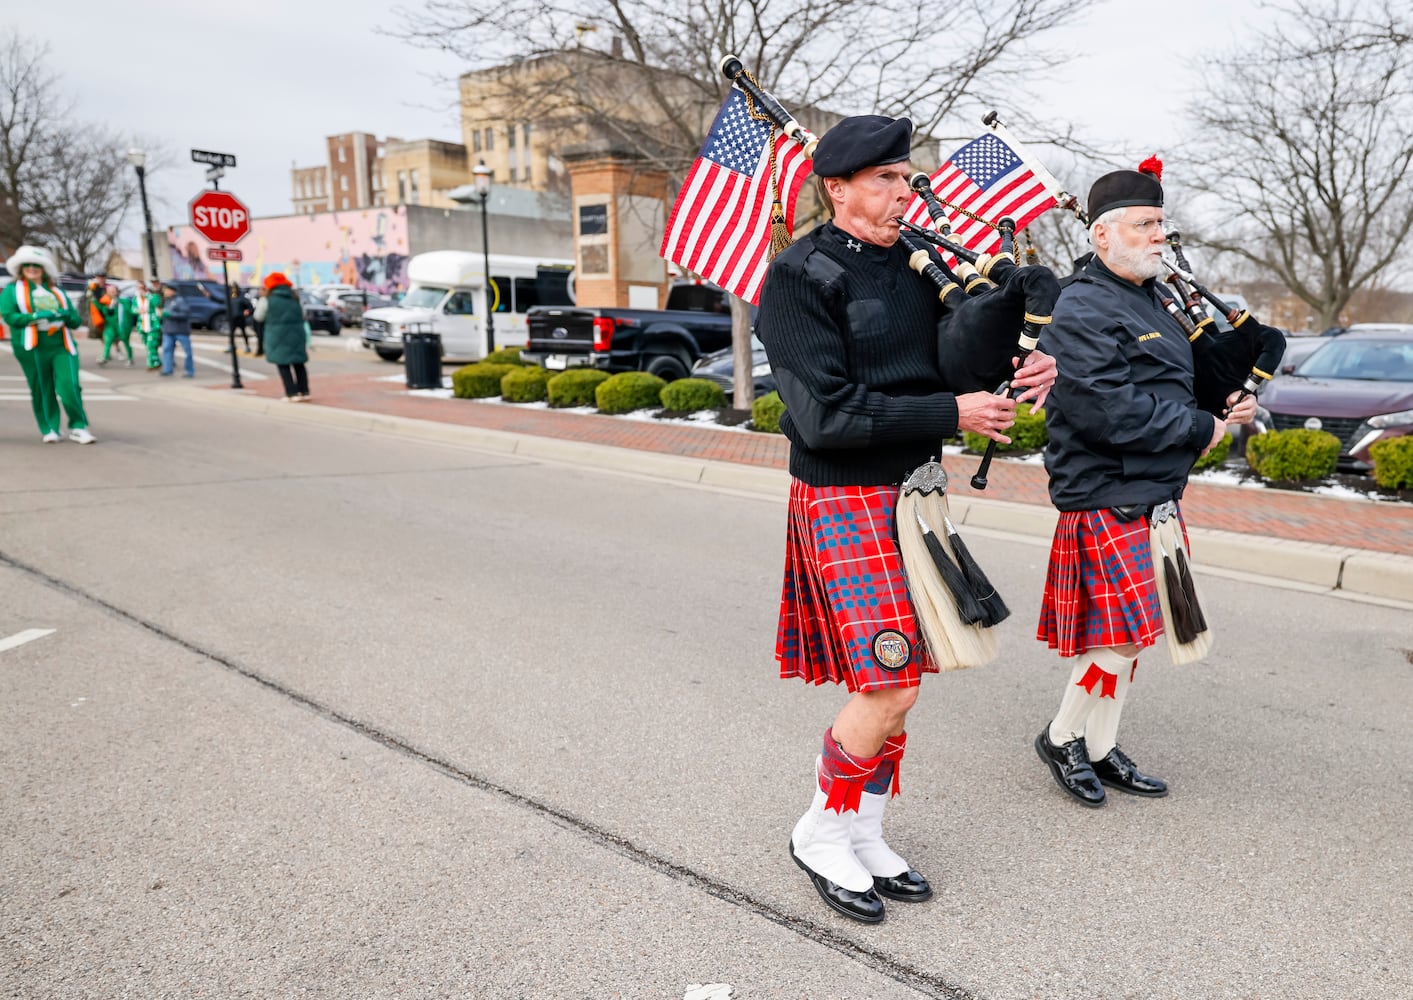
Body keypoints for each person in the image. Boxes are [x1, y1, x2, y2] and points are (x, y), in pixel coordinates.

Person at [754, 115, 1057, 924]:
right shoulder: (798, 276)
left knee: (903, 686)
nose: (904, 192)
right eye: (885, 179)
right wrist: (950, 411)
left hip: (915, 495)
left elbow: (950, 366)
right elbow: (822, 416)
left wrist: (1021, 350)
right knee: (885, 681)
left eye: (905, 176)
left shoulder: (917, 268)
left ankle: (864, 828)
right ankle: (820, 829)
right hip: (844, 495)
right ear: (838, 187)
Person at [1032, 168, 1258, 807]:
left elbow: (1173, 381)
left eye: (1161, 223)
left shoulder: (1150, 298)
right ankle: (1063, 736)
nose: (1160, 235)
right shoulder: (1080, 304)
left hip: (1154, 487)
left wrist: (1225, 399)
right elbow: (1105, 407)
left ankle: (1100, 748)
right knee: (1122, 632)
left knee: (1132, 630)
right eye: (1145, 225)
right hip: (1107, 487)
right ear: (1103, 235)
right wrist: (1201, 429)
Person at [0, 246, 95, 443]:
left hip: (61, 344)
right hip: (31, 346)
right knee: (41, 387)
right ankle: (50, 427)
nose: (32, 268)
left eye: (37, 265)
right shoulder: (12, 290)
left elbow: (75, 321)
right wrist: (35, 316)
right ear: (21, 268)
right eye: (28, 265)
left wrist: (67, 316)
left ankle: (79, 426)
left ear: (44, 269)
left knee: (69, 385)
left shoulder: (57, 291)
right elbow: (9, 316)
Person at [261, 272, 310, 401]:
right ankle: (304, 391)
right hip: (297, 334)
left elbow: (258, 316)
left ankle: (291, 393)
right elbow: (303, 314)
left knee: (283, 364)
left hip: (277, 335)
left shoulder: (267, 300)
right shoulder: (295, 297)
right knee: (299, 363)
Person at [158, 282, 196, 377]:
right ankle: (167, 369)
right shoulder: (166, 301)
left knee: (187, 351)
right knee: (167, 350)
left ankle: (189, 370)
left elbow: (186, 314)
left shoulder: (180, 301)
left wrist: (169, 314)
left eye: (166, 290)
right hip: (168, 330)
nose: (164, 292)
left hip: (180, 331)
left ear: (172, 291)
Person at [98, 282, 136, 367]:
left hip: (122, 325)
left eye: (113, 291)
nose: (112, 293)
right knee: (108, 340)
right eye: (110, 291)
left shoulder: (124, 301)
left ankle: (130, 358)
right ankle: (105, 357)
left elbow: (131, 312)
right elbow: (104, 313)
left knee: (125, 341)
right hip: (110, 325)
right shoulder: (105, 302)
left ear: (117, 292)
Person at [133, 279, 163, 370]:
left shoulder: (153, 296)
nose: (140, 290)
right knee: (148, 345)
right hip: (142, 326)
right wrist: (137, 310)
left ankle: (150, 364)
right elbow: (133, 309)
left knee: (151, 345)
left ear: (145, 288)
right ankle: (157, 362)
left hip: (152, 325)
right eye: (138, 288)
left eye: (141, 288)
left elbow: (156, 303)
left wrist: (146, 295)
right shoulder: (136, 299)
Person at [231, 285, 254, 353]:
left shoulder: (242, 298)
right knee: (232, 334)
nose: (234, 290)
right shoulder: (231, 298)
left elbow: (250, 307)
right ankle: (232, 346)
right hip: (233, 318)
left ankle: (247, 346)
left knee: (244, 333)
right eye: (233, 289)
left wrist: (248, 311)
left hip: (240, 318)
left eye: (235, 289)